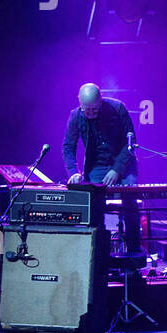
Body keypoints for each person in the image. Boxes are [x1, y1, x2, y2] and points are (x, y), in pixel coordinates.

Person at [62, 82, 140, 253]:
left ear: (101, 100)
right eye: (86, 110)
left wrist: (117, 169)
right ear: (80, 103)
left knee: (130, 197)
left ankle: (134, 249)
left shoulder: (118, 109)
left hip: (123, 163)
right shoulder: (75, 116)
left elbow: (131, 142)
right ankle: (98, 250)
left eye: (95, 110)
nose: (90, 114)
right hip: (97, 166)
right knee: (93, 205)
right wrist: (73, 172)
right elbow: (68, 146)